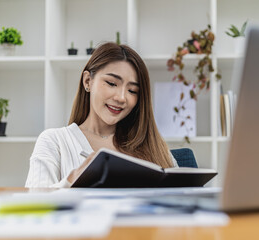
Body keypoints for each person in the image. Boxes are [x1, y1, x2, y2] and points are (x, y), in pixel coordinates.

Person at [25, 42, 178, 188]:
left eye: (132, 91)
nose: (121, 98)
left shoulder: (153, 147)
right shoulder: (55, 141)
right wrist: (73, 179)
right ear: (87, 81)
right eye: (111, 83)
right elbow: (32, 204)